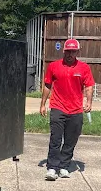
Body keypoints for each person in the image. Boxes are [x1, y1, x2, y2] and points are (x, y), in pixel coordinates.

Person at [39, 39, 95, 180]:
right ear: (64, 51)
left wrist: (89, 102)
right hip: (58, 107)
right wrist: (43, 104)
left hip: (75, 110)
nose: (70, 54)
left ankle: (64, 166)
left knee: (71, 140)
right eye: (68, 51)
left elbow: (89, 86)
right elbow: (47, 85)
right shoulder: (54, 66)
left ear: (77, 52)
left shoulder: (84, 68)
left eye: (73, 51)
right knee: (56, 139)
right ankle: (52, 167)